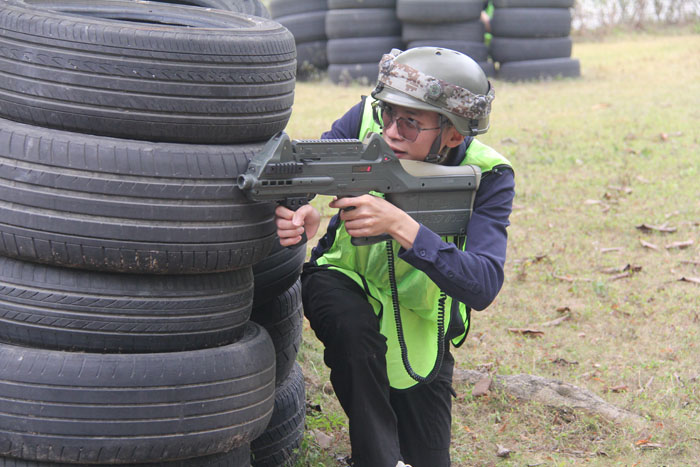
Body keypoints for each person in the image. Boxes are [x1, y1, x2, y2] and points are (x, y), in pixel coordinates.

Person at [275, 47, 515, 467]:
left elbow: (482, 285)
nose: (390, 131)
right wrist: (300, 210)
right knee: (355, 336)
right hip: (340, 280)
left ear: (454, 134)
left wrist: (399, 225)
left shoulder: (488, 174)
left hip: (419, 323)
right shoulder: (366, 119)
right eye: (388, 113)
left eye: (410, 122)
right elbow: (311, 169)